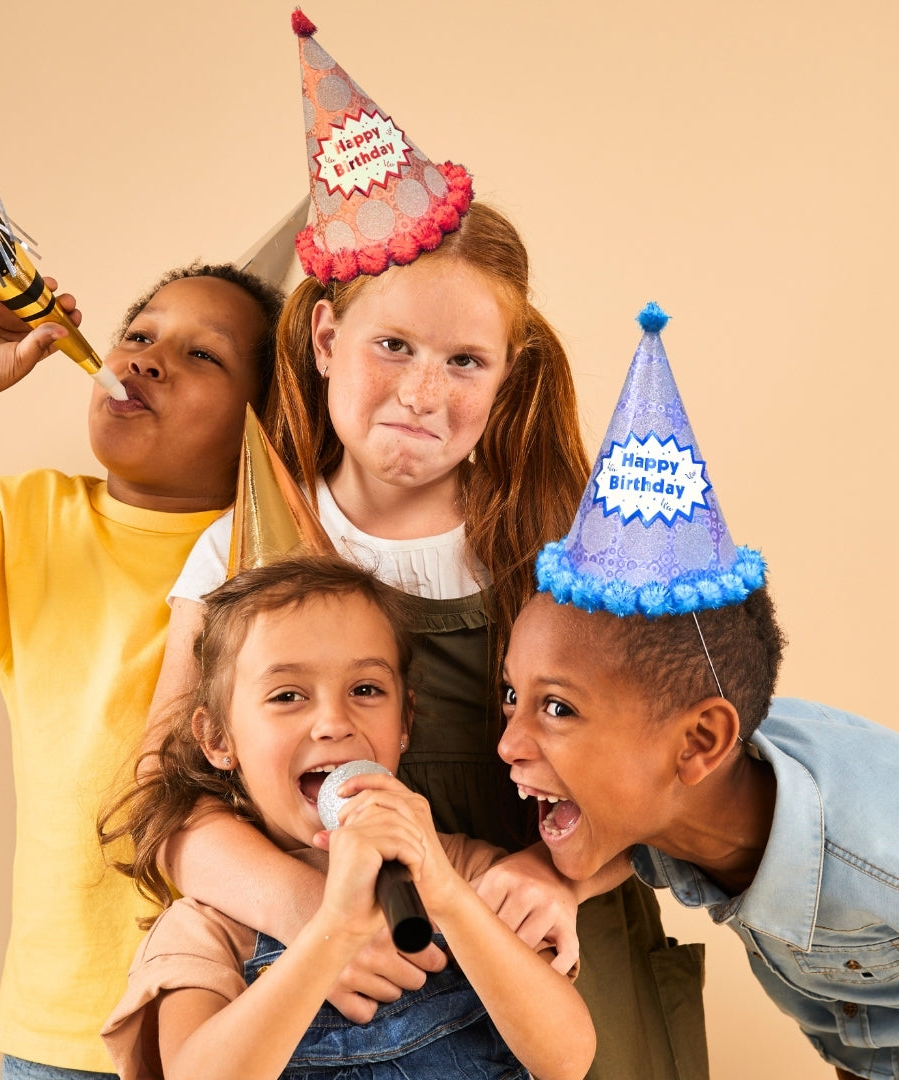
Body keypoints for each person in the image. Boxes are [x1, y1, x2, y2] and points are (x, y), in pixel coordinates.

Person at [143, 15, 710, 1078]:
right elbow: (157, 790)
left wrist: (564, 880)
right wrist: (316, 912)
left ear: (507, 377)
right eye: (391, 345)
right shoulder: (244, 549)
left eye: (463, 360)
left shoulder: (566, 555)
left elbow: (675, 768)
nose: (419, 391)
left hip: (552, 971)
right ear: (324, 339)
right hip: (335, 994)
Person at [0, 261, 283, 1079]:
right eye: (138, 336)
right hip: (64, 1025)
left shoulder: (286, 561)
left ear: (266, 419)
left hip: (248, 1021)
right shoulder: (27, 521)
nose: (146, 359)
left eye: (201, 356)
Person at [498, 304, 899, 1080]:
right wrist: (551, 872)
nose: (508, 742)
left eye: (556, 707)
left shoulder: (889, 866)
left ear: (698, 743)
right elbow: (645, 834)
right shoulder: (692, 801)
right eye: (510, 697)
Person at [100, 554, 596, 1080]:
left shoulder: (472, 873)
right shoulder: (206, 928)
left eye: (365, 690)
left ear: (405, 720)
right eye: (288, 696)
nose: (334, 723)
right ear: (219, 740)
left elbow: (566, 1058)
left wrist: (448, 895)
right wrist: (328, 930)